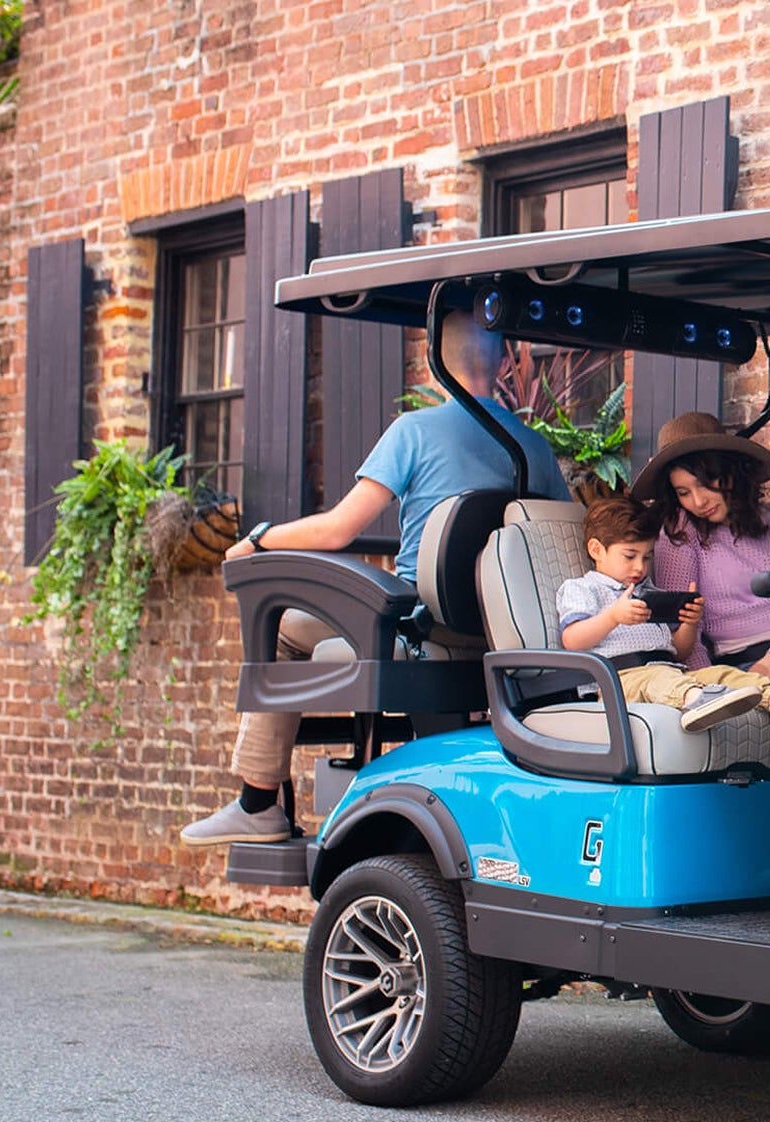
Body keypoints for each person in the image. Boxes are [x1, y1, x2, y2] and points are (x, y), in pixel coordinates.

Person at [179, 311, 571, 846]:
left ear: (437, 367)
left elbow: (339, 529)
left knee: (280, 627)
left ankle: (258, 802)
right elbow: (558, 536)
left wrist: (263, 537)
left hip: (418, 623)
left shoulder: (413, 431)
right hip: (496, 628)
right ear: (506, 362)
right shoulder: (533, 447)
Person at [556, 499, 769, 731]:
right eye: (630, 556)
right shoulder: (583, 588)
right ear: (597, 550)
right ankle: (698, 700)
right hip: (618, 681)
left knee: (722, 674)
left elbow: (679, 651)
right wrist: (613, 617)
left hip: (671, 671)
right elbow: (572, 640)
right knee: (658, 679)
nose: (640, 567)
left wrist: (689, 623)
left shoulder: (652, 594)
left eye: (647, 557)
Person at [637, 411, 770, 672]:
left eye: (705, 484)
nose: (698, 501)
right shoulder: (680, 533)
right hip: (745, 666)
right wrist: (711, 688)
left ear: (730, 472)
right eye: (683, 492)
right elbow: (683, 629)